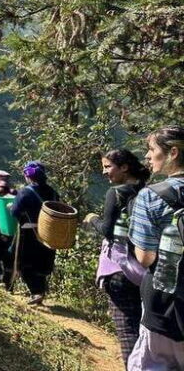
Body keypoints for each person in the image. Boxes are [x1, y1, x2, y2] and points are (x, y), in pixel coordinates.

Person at [82, 149, 149, 368]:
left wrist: (92, 219)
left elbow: (108, 230)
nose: (104, 172)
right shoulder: (146, 191)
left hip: (119, 269)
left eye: (108, 166)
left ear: (124, 167)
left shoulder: (117, 192)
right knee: (142, 326)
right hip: (144, 268)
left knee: (126, 328)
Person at [127, 127, 184, 370]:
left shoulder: (151, 196)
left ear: (173, 152)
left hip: (166, 302)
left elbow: (145, 257)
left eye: (152, 150)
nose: (147, 157)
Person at [10, 161, 58, 305]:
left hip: (29, 232)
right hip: (49, 233)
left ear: (28, 176)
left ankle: (36, 292)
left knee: (26, 263)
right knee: (42, 262)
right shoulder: (53, 192)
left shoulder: (25, 192)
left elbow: (15, 211)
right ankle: (40, 291)